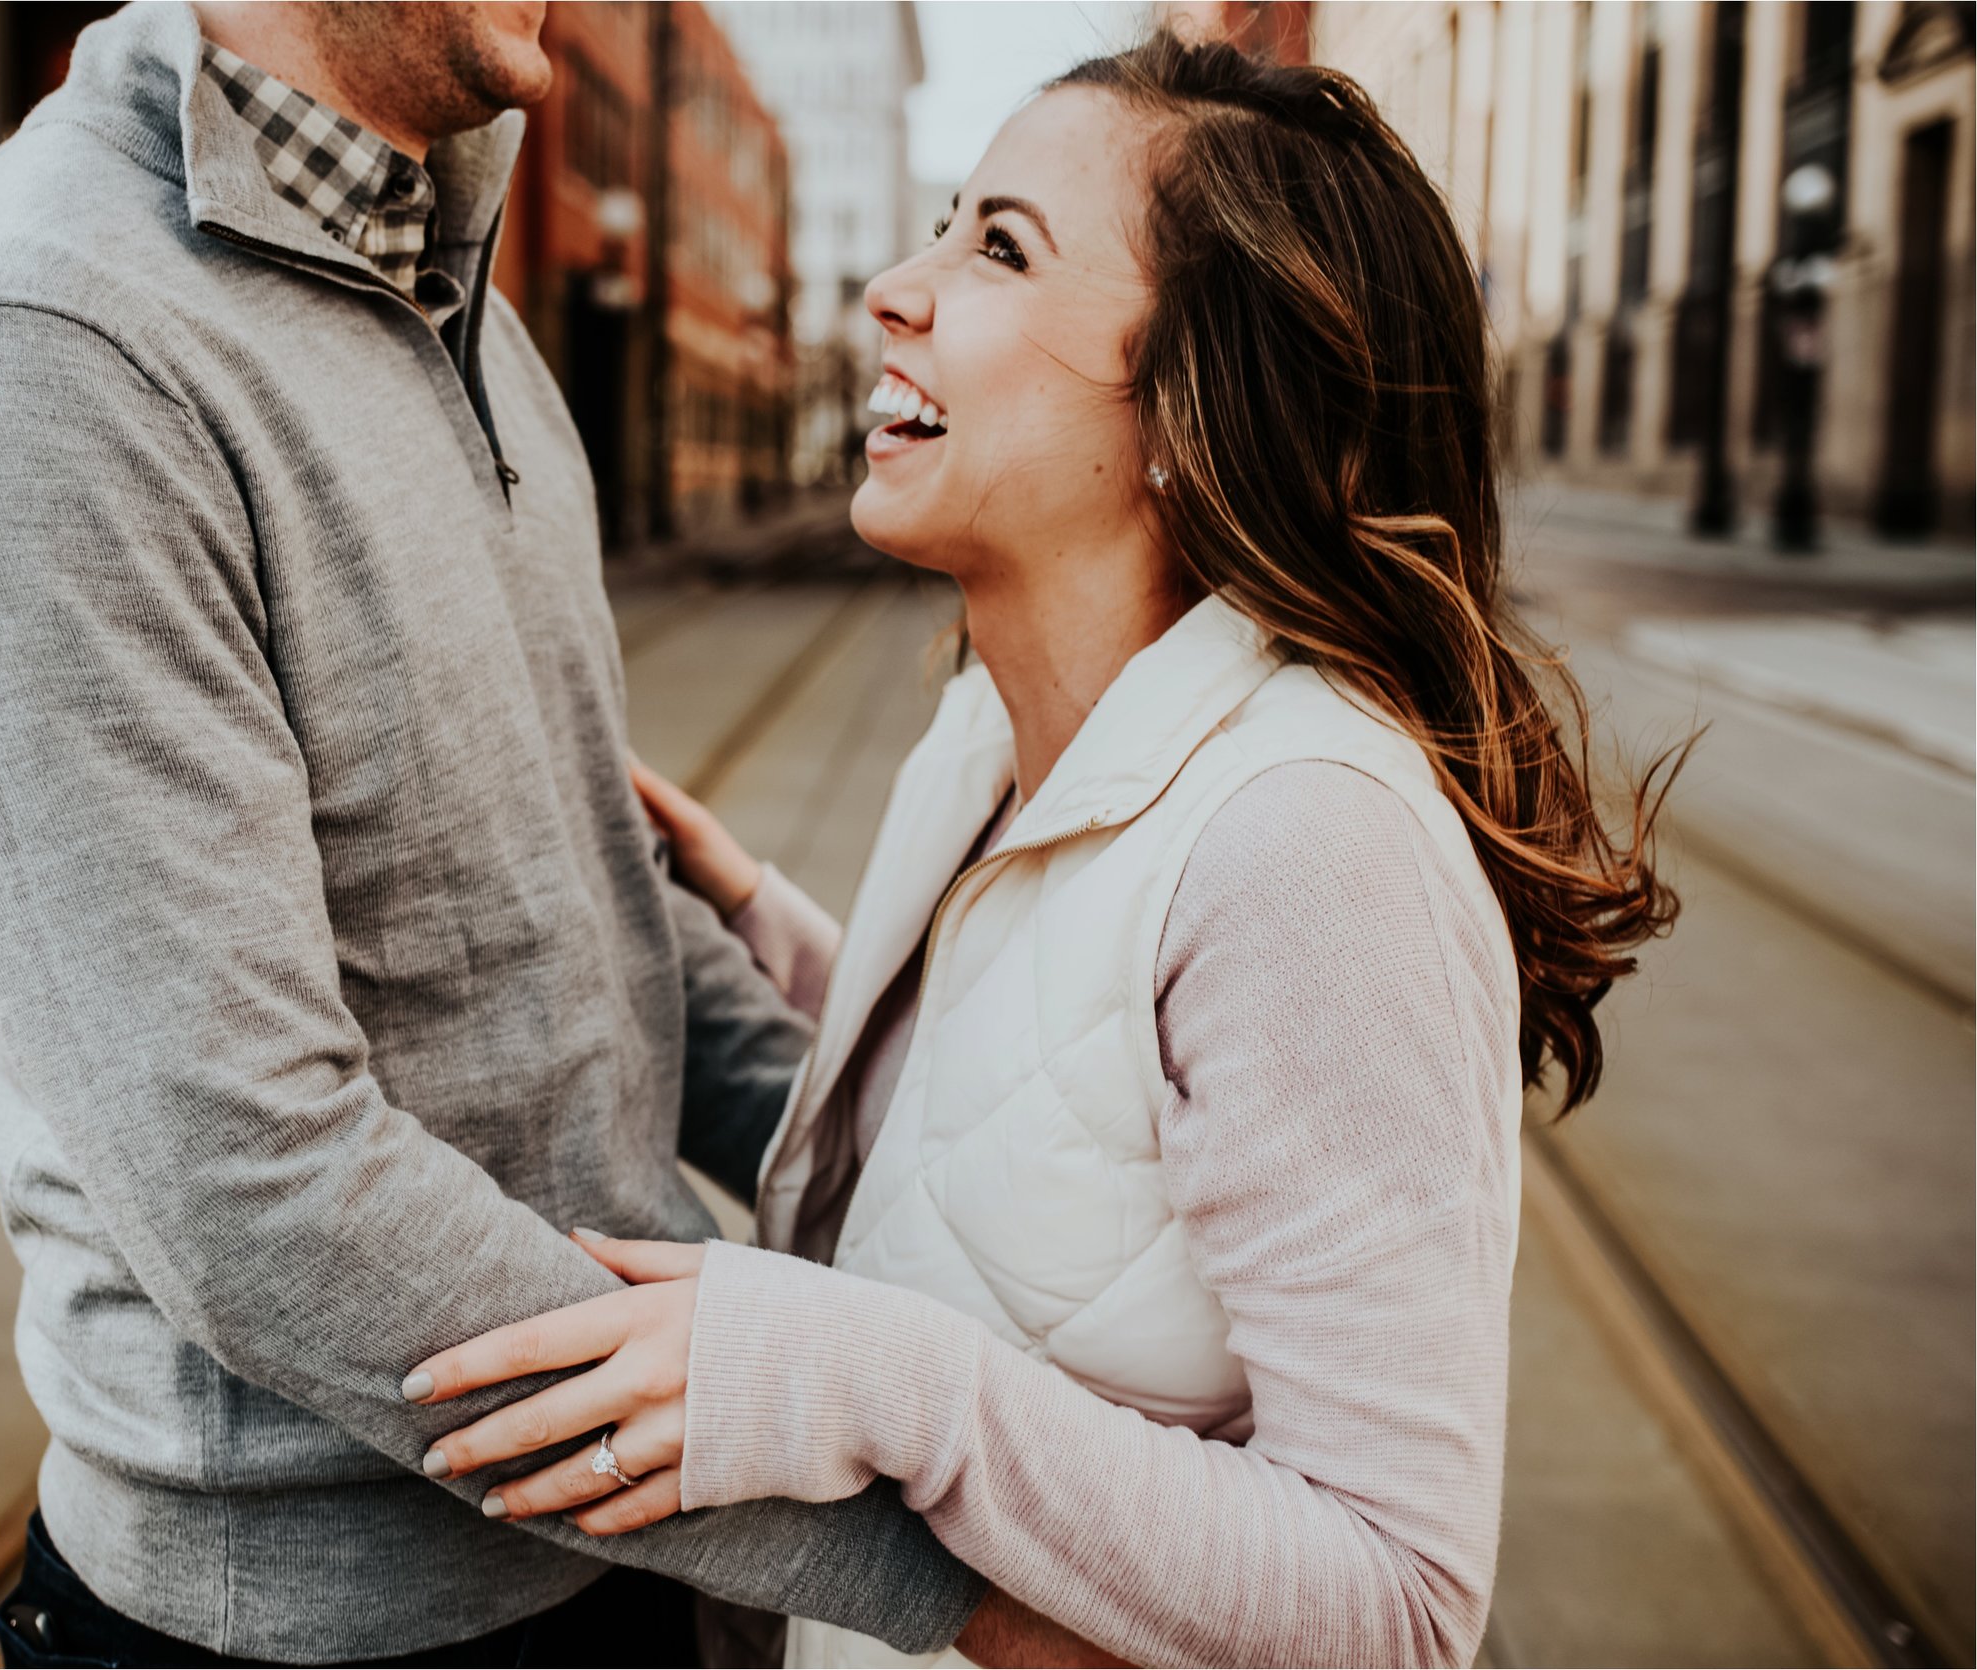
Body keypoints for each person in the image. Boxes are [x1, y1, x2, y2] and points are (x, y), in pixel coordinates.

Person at [0, 3, 1084, 1664]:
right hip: (320, 1631)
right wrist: (951, 1584)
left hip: (620, 1561)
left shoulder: (460, 298)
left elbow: (599, 918)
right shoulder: (24, 347)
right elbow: (255, 1190)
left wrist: (985, 1185)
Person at [408, 35, 1684, 1669]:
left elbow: (1398, 1609)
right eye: (943, 223)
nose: (893, 287)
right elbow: (1061, 1099)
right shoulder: (991, 737)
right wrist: (777, 930)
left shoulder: (1312, 848)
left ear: (1190, 404)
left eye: (999, 246)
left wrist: (877, 1383)